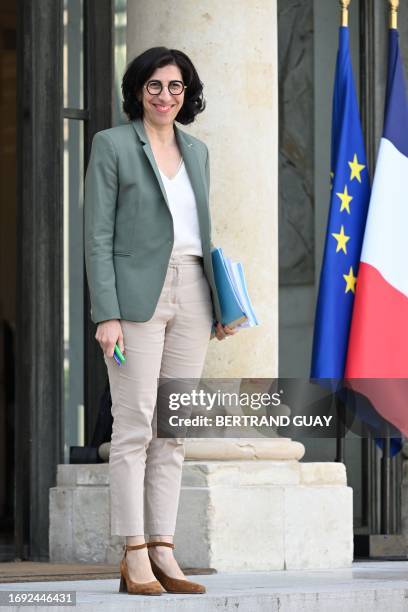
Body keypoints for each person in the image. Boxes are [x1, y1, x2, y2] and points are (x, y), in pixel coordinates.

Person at [84, 46, 238, 596]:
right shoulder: (112, 145)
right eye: (154, 86)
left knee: (173, 431)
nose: (165, 96)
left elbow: (204, 234)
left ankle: (165, 549)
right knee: (134, 428)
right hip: (135, 300)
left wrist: (221, 304)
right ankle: (133, 552)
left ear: (186, 92)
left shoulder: (197, 151)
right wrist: (107, 314)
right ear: (138, 91)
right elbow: (97, 236)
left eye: (175, 87)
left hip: (194, 291)